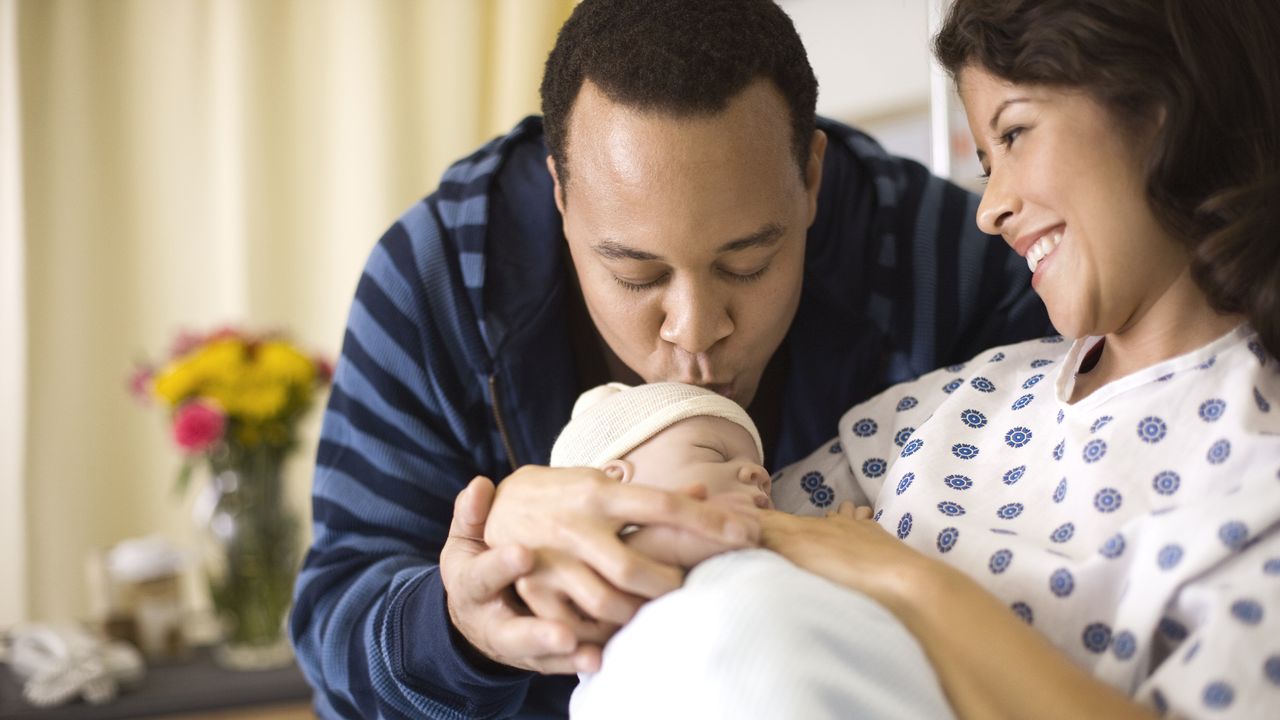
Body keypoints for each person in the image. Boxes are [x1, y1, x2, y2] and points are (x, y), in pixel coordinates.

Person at [288, 0, 1051, 717]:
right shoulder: (439, 279)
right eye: (636, 276)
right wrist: (459, 625)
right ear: (560, 193)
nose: (695, 330)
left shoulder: (940, 259)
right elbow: (333, 628)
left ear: (811, 178)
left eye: (747, 264)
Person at [573, 1, 1280, 718]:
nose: (990, 208)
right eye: (984, 159)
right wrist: (544, 510)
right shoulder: (938, 412)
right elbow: (672, 550)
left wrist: (906, 582)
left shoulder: (1259, 474)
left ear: (1163, 105)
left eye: (1014, 132)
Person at [548, 381, 955, 719]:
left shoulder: (777, 550)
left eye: (764, 478)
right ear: (616, 482)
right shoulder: (600, 573)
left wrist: (848, 549)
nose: (759, 475)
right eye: (714, 453)